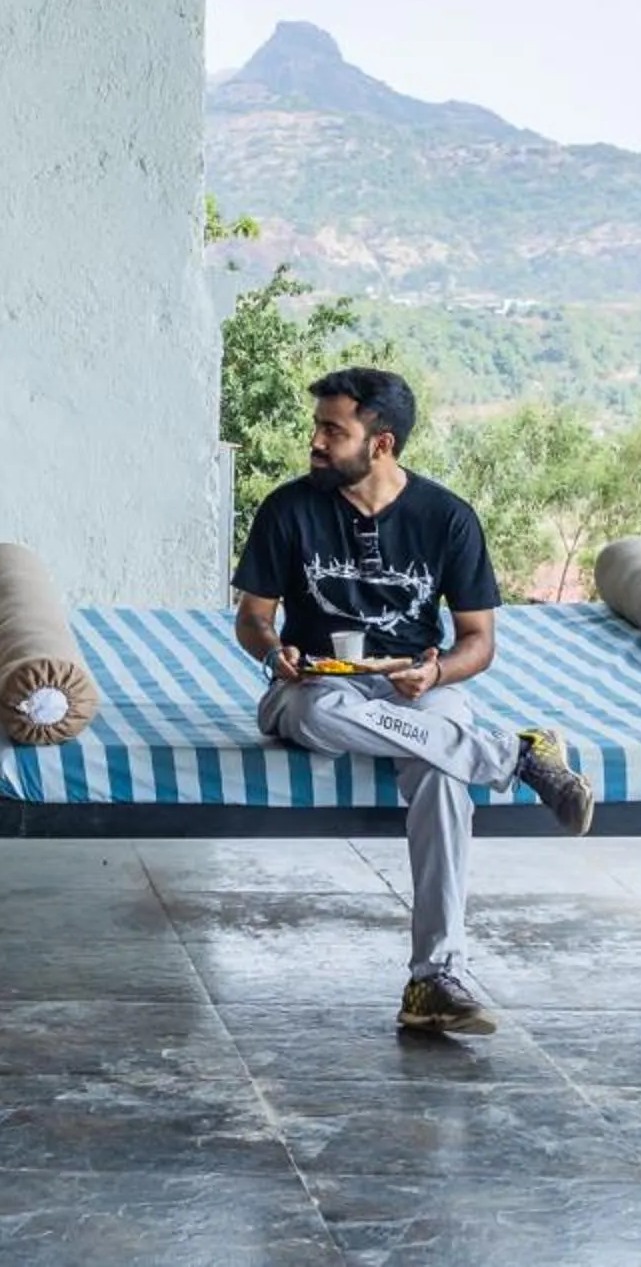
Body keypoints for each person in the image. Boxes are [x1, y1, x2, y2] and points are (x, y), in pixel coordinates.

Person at [230, 366, 597, 1036]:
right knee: (312, 710)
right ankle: (516, 758)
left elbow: (478, 643)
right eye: (316, 427)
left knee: (439, 773)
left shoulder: (446, 518)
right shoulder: (289, 509)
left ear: (381, 444)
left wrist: (433, 676)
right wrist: (272, 651)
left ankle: (434, 980)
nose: (315, 441)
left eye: (332, 430)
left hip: (417, 684)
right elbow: (253, 617)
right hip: (317, 684)